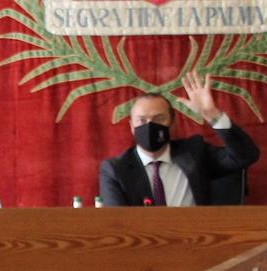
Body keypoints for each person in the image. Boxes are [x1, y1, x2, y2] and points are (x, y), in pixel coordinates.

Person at [97, 74, 258, 208]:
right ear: (131, 126)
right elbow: (116, 220)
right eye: (142, 121)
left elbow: (244, 156)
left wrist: (213, 115)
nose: (150, 126)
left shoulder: (195, 152)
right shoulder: (115, 169)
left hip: (198, 240)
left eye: (159, 119)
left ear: (172, 123)